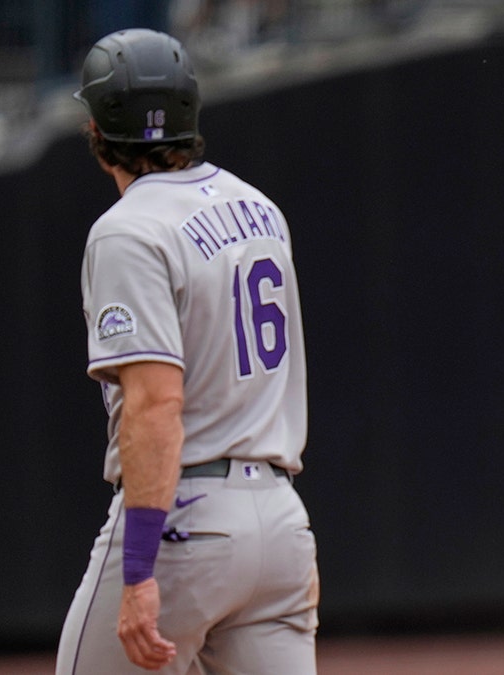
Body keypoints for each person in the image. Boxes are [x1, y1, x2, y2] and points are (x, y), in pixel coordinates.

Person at [56, 28, 318, 674]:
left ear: (96, 130)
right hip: (280, 524)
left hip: (186, 521)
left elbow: (155, 403)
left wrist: (139, 568)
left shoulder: (127, 231)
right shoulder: (260, 208)